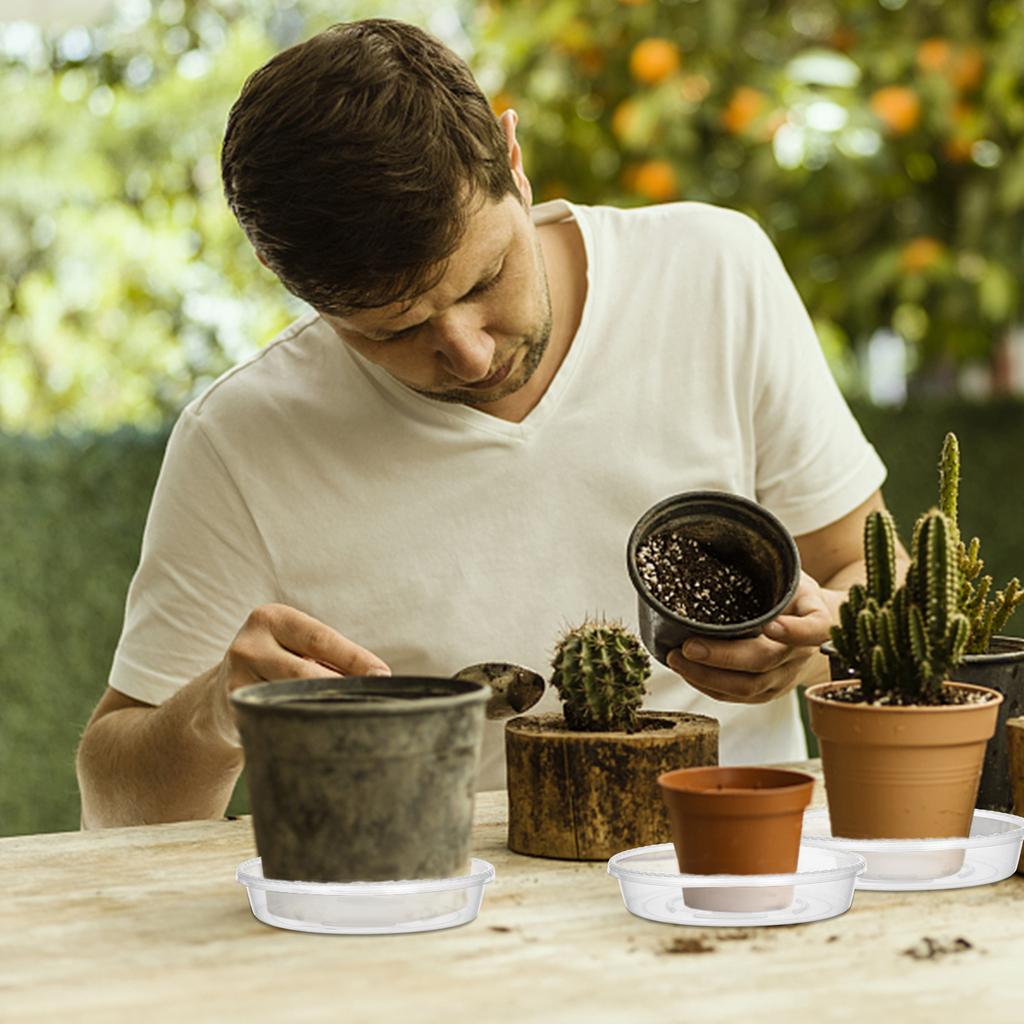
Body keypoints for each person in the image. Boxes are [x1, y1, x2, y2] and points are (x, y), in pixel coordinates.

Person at [76, 18, 907, 828]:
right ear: (288, 282)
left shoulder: (713, 271)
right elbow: (113, 806)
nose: (470, 355)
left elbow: (869, 571)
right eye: (393, 331)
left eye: (484, 280)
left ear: (512, 159)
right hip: (426, 903)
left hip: (727, 869)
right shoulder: (240, 438)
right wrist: (215, 714)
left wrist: (816, 645)